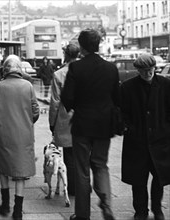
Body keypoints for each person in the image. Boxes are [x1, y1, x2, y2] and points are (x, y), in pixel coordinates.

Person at [61, 28, 119, 220]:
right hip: (104, 125)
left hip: (82, 125)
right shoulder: (111, 68)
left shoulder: (76, 68)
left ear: (82, 46)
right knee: (101, 165)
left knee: (82, 169)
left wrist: (77, 106)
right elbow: (116, 98)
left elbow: (67, 98)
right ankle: (106, 203)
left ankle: (83, 215)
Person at [0, 55, 40, 220]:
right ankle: (18, 210)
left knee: (4, 168)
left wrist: (0, 117)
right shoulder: (28, 86)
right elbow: (35, 111)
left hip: (4, 133)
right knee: (21, 172)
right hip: (24, 134)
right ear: (19, 68)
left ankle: (5, 204)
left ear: (5, 69)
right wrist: (26, 121)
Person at [120, 54, 170, 220]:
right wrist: (128, 128)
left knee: (159, 177)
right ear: (138, 70)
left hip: (160, 139)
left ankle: (157, 209)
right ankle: (140, 210)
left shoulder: (165, 84)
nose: (147, 73)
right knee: (138, 179)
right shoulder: (128, 87)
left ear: (154, 68)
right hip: (137, 140)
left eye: (150, 70)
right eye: (143, 71)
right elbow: (121, 112)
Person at [49, 43, 80, 196]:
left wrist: (52, 122)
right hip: (84, 117)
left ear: (66, 55)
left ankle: (73, 187)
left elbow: (55, 101)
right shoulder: (84, 71)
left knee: (69, 155)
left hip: (66, 118)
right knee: (82, 154)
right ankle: (83, 184)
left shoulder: (59, 74)